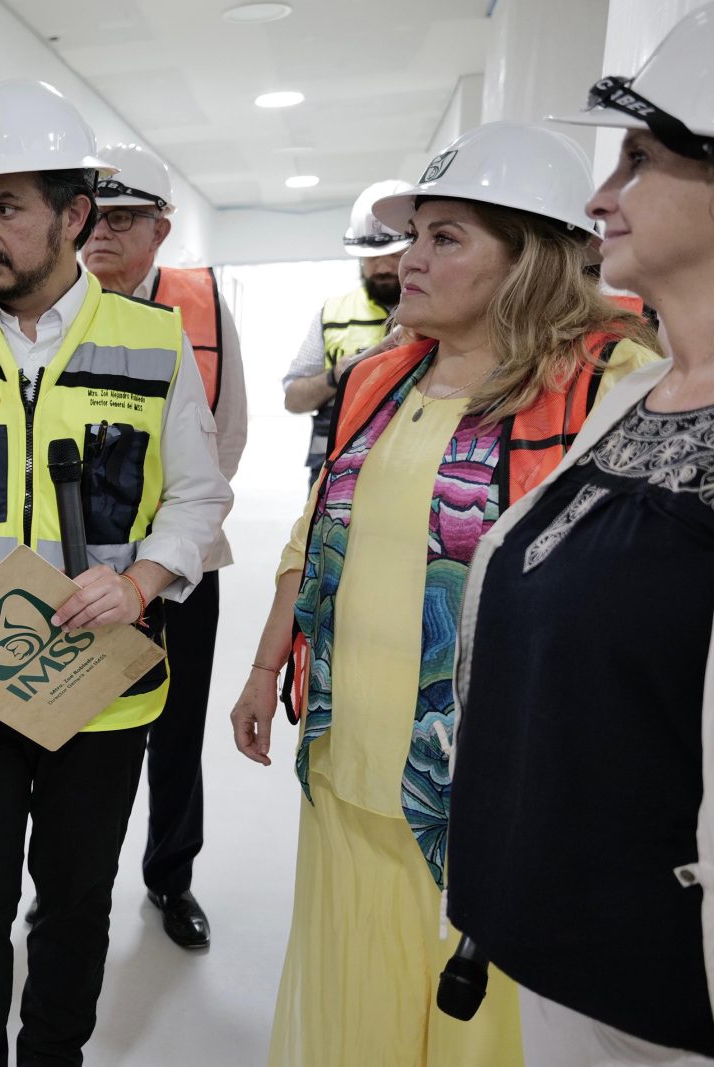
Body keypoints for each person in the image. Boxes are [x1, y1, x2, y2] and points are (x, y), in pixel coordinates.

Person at [228, 120, 662, 1066]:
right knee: (366, 991)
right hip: (353, 757)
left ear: (531, 258)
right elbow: (317, 530)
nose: (406, 258)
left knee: (488, 1021)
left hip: (505, 788)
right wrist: (265, 666)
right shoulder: (380, 376)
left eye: (444, 236)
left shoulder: (611, 384)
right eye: (412, 233)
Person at [0, 79, 232, 1064]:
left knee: (72, 907)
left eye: (7, 207)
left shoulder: (151, 344)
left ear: (75, 215)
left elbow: (199, 497)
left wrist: (144, 581)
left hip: (96, 684)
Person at [449, 10, 714, 1064]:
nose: (599, 197)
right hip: (549, 945)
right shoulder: (638, 397)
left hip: (666, 987)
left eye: (639, 159)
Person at [81, 140, 248, 949]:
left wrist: (170, 546)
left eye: (124, 219)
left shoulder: (203, 304)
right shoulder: (56, 306)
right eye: (94, 216)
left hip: (183, 567)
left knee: (178, 727)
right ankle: (72, 888)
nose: (101, 234)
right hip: (80, 572)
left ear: (162, 228)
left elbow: (231, 431)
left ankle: (170, 877)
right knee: (80, 727)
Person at [281, 181, 411, 484]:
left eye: (394, 255)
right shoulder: (332, 313)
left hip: (411, 467)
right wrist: (335, 376)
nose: (381, 267)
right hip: (336, 471)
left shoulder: (447, 313)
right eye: (371, 257)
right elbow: (292, 400)